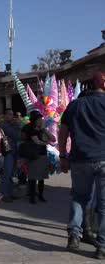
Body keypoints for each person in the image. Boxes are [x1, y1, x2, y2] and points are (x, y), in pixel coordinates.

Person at [60, 71, 105, 259]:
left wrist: (62, 155)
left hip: (79, 159)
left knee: (79, 197)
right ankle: (102, 247)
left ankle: (74, 236)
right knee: (104, 204)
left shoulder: (75, 105)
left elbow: (63, 132)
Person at [21, 110, 56, 204]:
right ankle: (32, 196)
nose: (41, 121)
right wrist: (47, 142)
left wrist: (45, 130)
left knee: (41, 176)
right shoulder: (29, 128)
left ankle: (40, 195)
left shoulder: (41, 129)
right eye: (39, 119)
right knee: (33, 176)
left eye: (41, 119)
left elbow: (53, 139)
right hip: (33, 154)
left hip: (42, 154)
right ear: (34, 120)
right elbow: (36, 141)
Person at [0, 109, 21, 202]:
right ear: (5, 115)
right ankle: (5, 194)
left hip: (14, 151)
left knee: (13, 174)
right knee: (7, 173)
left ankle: (11, 192)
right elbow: (13, 134)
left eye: (12, 114)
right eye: (9, 114)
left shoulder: (13, 125)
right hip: (7, 152)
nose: (11, 116)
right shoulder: (3, 125)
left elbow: (18, 136)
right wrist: (16, 125)